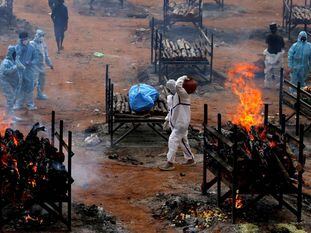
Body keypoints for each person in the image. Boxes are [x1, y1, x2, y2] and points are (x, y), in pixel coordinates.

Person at [159, 76, 195, 171]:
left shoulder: (183, 94)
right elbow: (171, 110)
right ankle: (190, 159)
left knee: (172, 140)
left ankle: (170, 162)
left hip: (181, 123)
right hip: (177, 123)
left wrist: (183, 77)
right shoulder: (174, 97)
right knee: (183, 141)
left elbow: (178, 86)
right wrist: (167, 120)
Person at [14, 31, 39, 110]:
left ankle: (30, 104)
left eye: (26, 39)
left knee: (29, 88)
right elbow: (14, 59)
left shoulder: (32, 48)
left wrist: (31, 62)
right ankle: (19, 104)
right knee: (20, 88)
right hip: (20, 72)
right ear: (20, 40)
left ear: (28, 39)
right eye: (23, 40)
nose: (24, 41)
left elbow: (36, 58)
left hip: (29, 71)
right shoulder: (17, 48)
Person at [0, 46, 24, 121]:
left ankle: (10, 115)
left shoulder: (14, 60)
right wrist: (15, 67)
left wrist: (20, 66)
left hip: (12, 83)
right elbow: (6, 72)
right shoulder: (5, 62)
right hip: (5, 82)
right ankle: (8, 117)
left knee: (13, 99)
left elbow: (22, 67)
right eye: (15, 53)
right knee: (10, 99)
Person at [30, 29, 54, 100]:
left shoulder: (43, 44)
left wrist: (50, 64)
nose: (41, 37)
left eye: (42, 36)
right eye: (40, 35)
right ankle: (27, 95)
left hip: (42, 66)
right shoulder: (31, 44)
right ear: (36, 35)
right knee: (33, 81)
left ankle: (40, 94)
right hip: (34, 66)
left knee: (42, 81)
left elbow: (46, 56)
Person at [263, 23, 285, 88]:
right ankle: (278, 86)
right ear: (276, 29)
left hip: (269, 56)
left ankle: (267, 85)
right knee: (278, 73)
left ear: (270, 29)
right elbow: (283, 45)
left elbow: (267, 42)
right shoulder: (280, 37)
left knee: (268, 72)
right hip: (278, 56)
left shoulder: (268, 37)